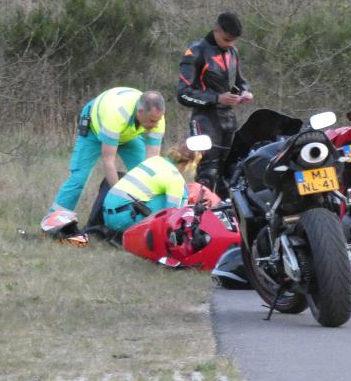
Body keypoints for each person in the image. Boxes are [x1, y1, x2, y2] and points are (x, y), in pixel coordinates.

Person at [42, 87, 166, 228]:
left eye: (158, 120)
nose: (155, 125)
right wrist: (120, 198)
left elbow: (152, 164)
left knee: (145, 176)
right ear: (140, 112)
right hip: (94, 131)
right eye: (151, 121)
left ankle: (146, 223)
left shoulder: (157, 118)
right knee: (79, 178)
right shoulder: (117, 115)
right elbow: (108, 161)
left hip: (128, 135)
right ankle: (53, 223)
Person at [177, 12, 254, 196]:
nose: (230, 44)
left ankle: (228, 219)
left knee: (232, 171)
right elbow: (183, 94)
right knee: (208, 171)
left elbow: (239, 80)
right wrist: (217, 98)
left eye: (233, 41)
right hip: (205, 119)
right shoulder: (196, 51)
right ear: (217, 30)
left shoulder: (232, 52)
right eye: (227, 39)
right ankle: (201, 218)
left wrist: (245, 92)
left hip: (228, 118)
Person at [102, 140, 199, 232]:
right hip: (124, 220)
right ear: (189, 164)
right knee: (182, 197)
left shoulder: (155, 160)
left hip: (106, 215)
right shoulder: (175, 179)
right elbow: (171, 216)